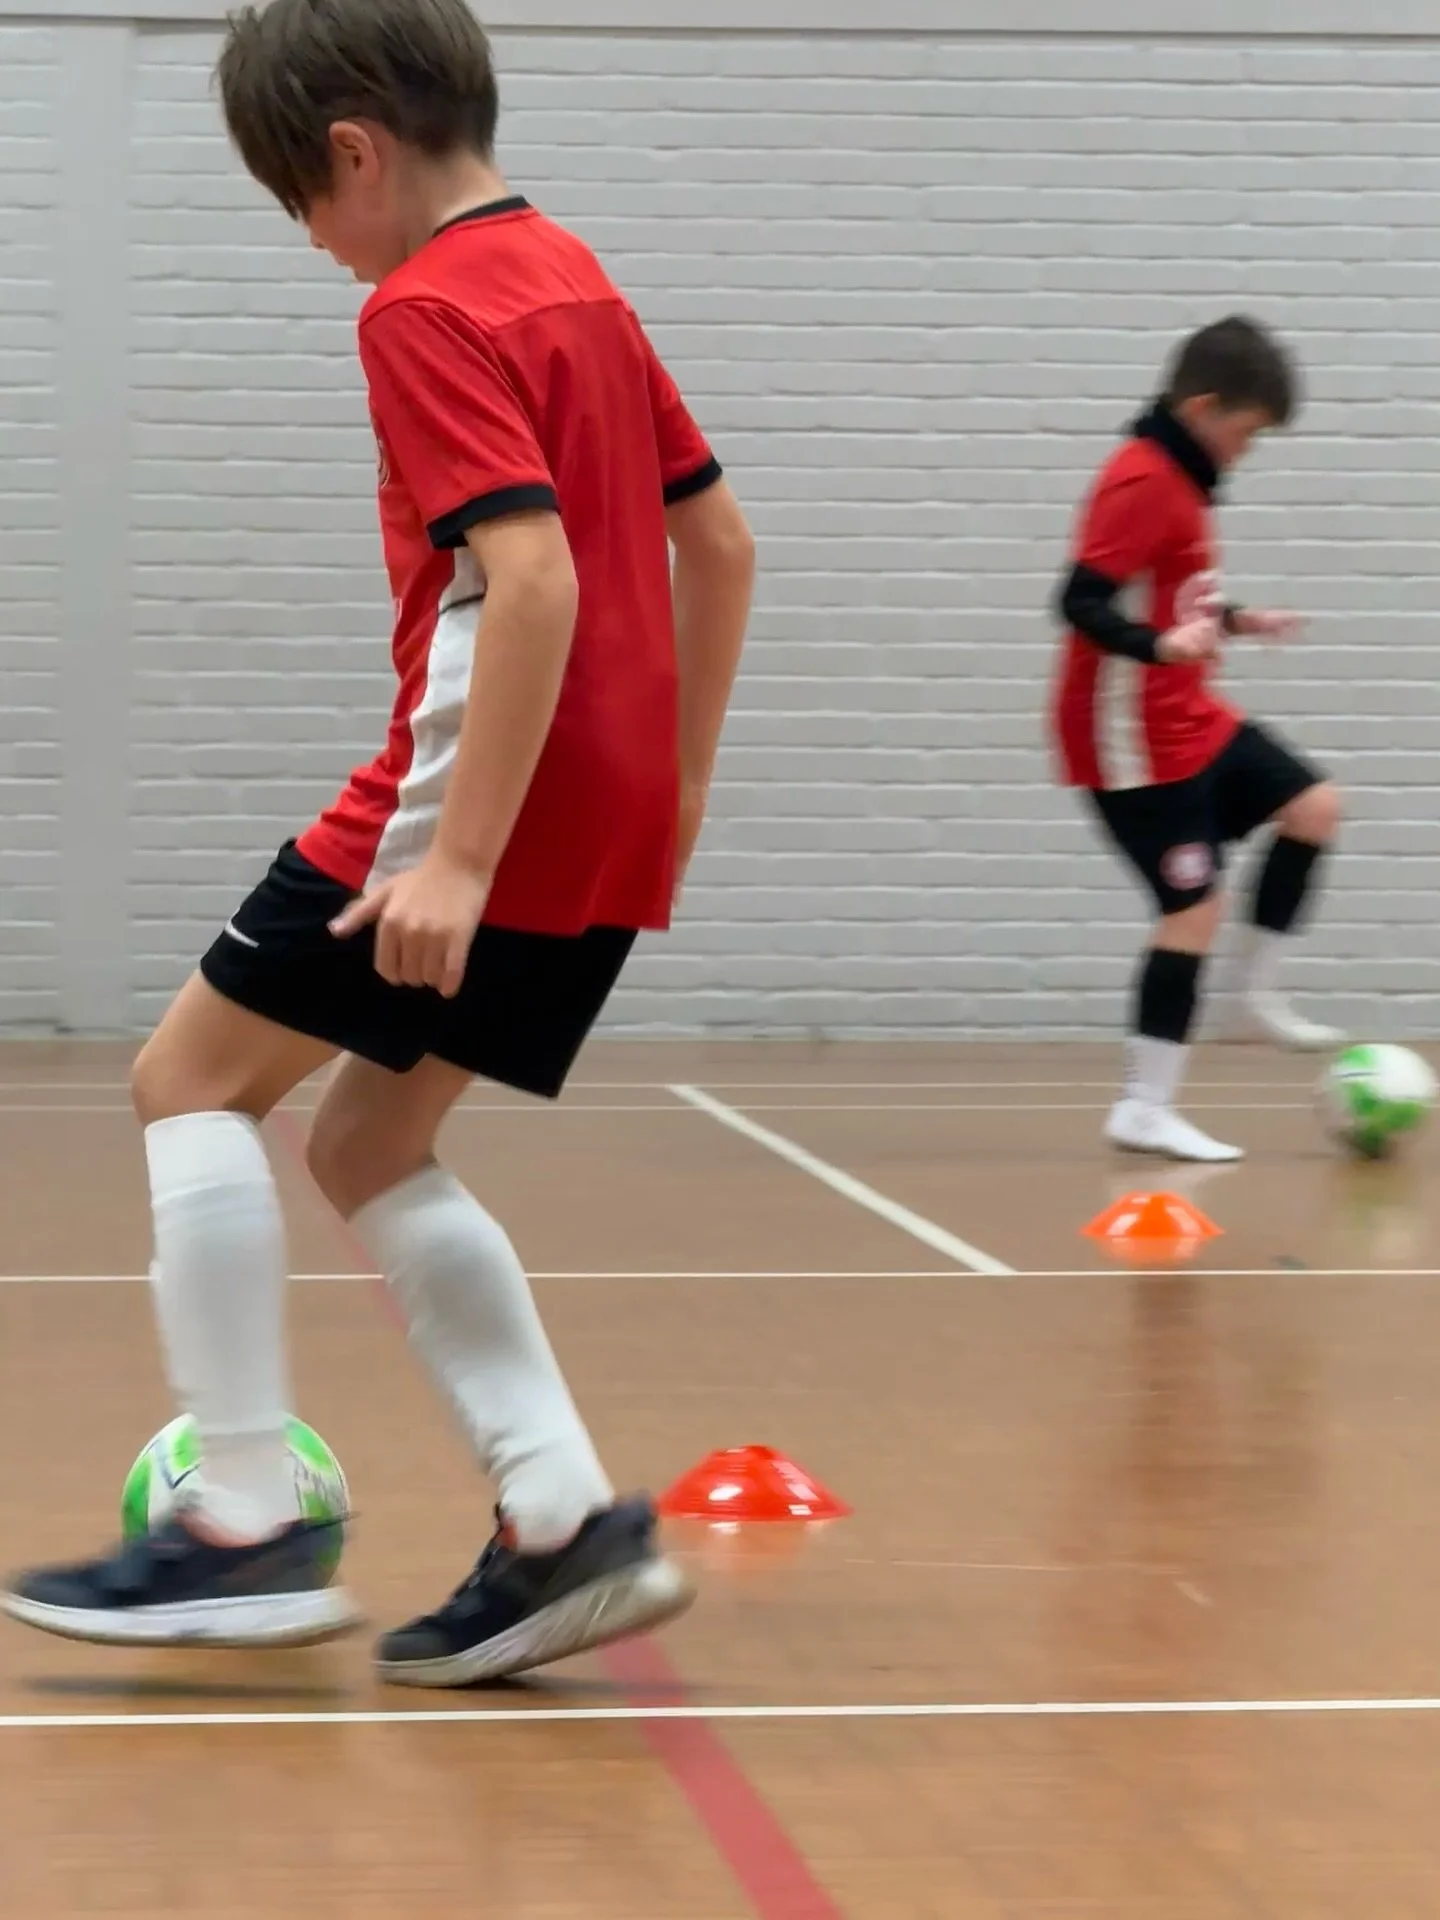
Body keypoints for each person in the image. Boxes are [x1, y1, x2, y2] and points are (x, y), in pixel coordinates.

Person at [2, 0, 755, 1685]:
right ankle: (560, 1521)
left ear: (352, 150)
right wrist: (682, 781)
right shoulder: (578, 278)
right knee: (366, 1144)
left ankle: (239, 1528)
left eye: (301, 203)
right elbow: (721, 545)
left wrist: (461, 857)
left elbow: (533, 578)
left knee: (187, 1083)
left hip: (476, 800)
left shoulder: (425, 305)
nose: (316, 244)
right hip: (611, 803)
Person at [1050, 315, 1342, 1164]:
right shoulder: (1142, 478)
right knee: (1191, 910)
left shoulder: (1183, 476)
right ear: (1203, 408)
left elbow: (1170, 594)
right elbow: (1079, 601)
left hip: (1188, 714)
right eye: (1246, 433)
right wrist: (1158, 648)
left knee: (1315, 807)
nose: (1246, 452)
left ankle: (1248, 1000)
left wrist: (1239, 620)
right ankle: (1145, 1108)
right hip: (1128, 739)